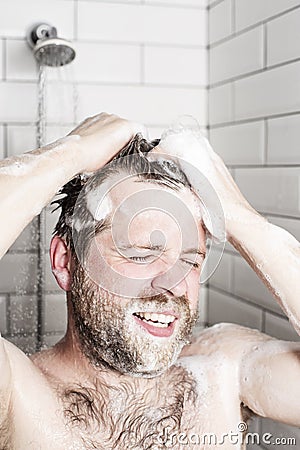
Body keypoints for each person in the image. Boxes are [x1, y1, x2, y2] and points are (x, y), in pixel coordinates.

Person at [0, 113, 299, 450]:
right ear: (66, 262)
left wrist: (238, 215)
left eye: (190, 260)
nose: (173, 284)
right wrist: (71, 153)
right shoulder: (17, 396)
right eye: (141, 255)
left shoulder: (224, 370)